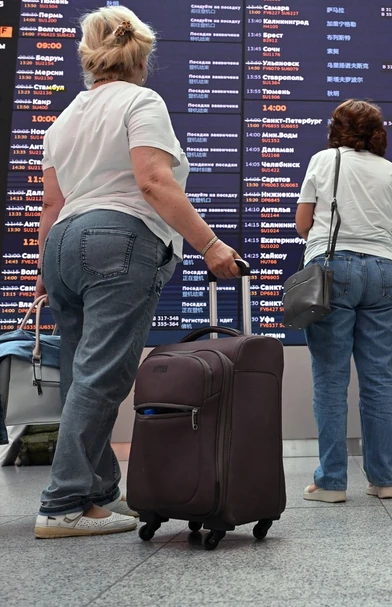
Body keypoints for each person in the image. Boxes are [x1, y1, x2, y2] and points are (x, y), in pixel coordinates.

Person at [33, 6, 242, 538]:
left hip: (63, 246)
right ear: (141, 59)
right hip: (119, 240)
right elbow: (153, 181)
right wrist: (211, 245)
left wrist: (41, 272)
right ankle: (61, 504)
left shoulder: (62, 120)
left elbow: (51, 207)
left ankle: (98, 493)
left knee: (81, 374)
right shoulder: (142, 101)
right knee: (104, 375)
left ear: (88, 57)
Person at [295, 99, 392, 502]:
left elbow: (303, 224)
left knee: (330, 378)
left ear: (336, 128)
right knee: (379, 377)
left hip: (333, 270)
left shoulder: (323, 161)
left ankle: (331, 482)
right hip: (383, 271)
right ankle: (384, 479)